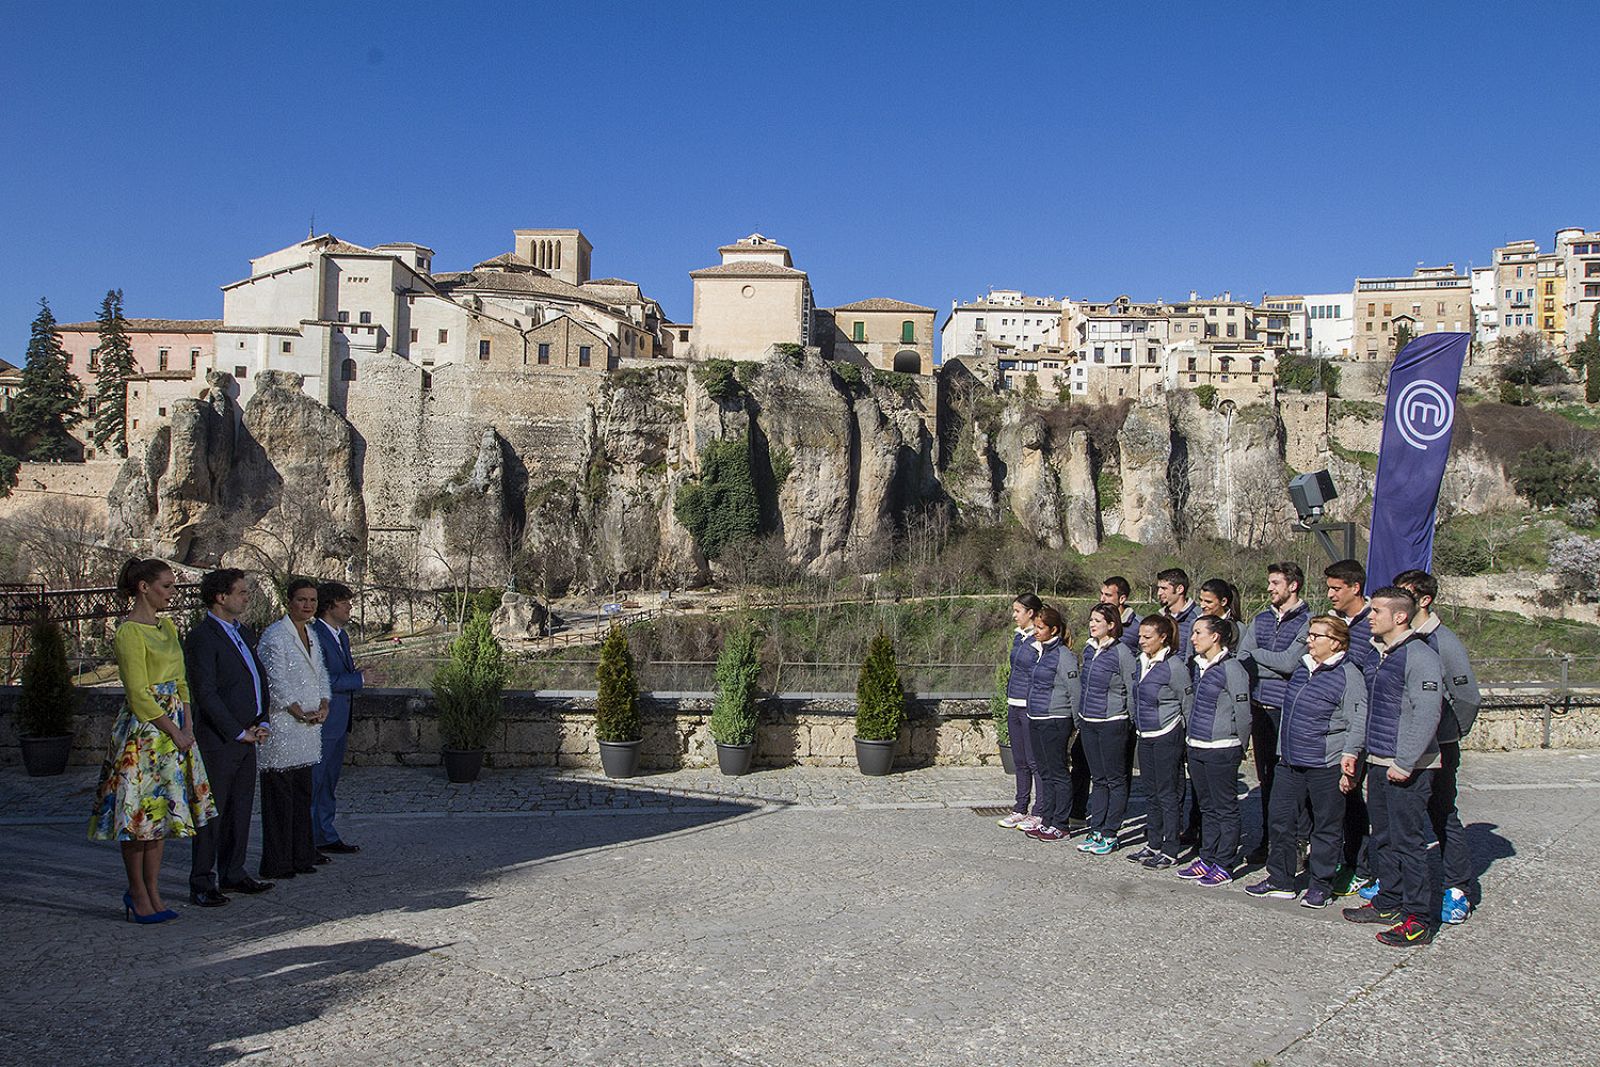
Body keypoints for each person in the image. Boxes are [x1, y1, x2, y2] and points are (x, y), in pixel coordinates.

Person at [90, 558, 217, 923]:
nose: (171, 593)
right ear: (144, 587)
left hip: (175, 727)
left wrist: (187, 725)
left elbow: (181, 682)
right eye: (166, 586)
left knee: (159, 816)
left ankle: (154, 891)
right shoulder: (129, 632)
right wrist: (173, 729)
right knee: (138, 818)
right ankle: (138, 893)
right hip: (146, 732)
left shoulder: (167, 628)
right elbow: (137, 693)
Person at [1342, 587, 1445, 948]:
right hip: (1377, 760)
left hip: (1409, 767)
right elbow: (1365, 708)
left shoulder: (1420, 656)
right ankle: (1389, 900)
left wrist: (1405, 762)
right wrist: (1354, 749)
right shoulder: (1377, 655)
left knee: (1408, 842)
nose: (1369, 617)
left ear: (1400, 616)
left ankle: (1417, 918)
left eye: (1377, 612)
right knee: (1383, 836)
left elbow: (1427, 713)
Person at [1245, 616, 1367, 909]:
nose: (1308, 640)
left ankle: (1320, 885)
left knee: (1325, 826)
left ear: (1336, 642)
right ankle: (1281, 879)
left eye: (1316, 636)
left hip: (1325, 763)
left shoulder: (1349, 675)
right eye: (1309, 634)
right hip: (1290, 761)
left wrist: (1350, 758)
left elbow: (1357, 722)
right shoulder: (1302, 668)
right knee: (1280, 819)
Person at [1393, 569, 1482, 926]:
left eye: (1404, 594)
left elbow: (1467, 697)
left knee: (1442, 814)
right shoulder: (1403, 641)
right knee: (1405, 819)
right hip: (1407, 745)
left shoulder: (1443, 642)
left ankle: (1457, 888)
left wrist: (1450, 733)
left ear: (1424, 600)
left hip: (1439, 746)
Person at [185, 567, 273, 907]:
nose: (246, 597)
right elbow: (206, 693)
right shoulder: (202, 637)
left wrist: (261, 719)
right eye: (241, 592)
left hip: (249, 733)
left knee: (240, 807)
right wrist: (236, 730)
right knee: (213, 811)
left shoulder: (244, 632)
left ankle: (233, 871)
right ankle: (202, 879)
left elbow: (256, 678)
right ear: (221, 597)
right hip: (221, 739)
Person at [1236, 562, 1312, 863]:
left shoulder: (1308, 622)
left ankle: (1300, 842)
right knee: (1266, 779)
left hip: (1288, 710)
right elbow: (1243, 657)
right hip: (1259, 708)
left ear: (1293, 585)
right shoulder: (1261, 618)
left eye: (1275, 583)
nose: (1269, 588)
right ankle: (1268, 841)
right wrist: (1268, 661)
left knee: (1293, 781)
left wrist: (1258, 657)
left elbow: (1291, 664)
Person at [256, 578, 331, 879]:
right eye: (302, 600)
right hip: (284, 727)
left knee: (302, 796)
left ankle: (301, 854)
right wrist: (298, 710)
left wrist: (324, 704)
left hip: (309, 729)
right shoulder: (275, 636)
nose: (308, 605)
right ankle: (277, 861)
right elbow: (274, 681)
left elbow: (321, 674)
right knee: (279, 800)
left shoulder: (311, 634)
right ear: (290, 602)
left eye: (312, 600)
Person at [1179, 615, 1253, 886]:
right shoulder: (1199, 666)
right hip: (1198, 745)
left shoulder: (1232, 668)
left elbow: (1243, 713)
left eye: (1199, 633)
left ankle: (1225, 862)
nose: (1193, 638)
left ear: (1216, 636)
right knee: (1207, 807)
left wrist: (1239, 744)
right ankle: (1207, 857)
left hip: (1222, 747)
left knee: (1225, 807)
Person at [1126, 614, 1193, 869]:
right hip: (1146, 734)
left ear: (1163, 637)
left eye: (1147, 637)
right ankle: (1153, 843)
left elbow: (1187, 703)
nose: (1141, 641)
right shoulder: (1141, 662)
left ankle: (1170, 848)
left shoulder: (1174, 666)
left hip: (1167, 734)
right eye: (1140, 636)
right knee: (1151, 792)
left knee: (1168, 794)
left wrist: (1186, 738)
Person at [1324, 558, 1374, 891]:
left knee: (1356, 796)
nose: (1330, 594)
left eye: (1336, 589)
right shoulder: (1333, 622)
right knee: (1336, 799)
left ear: (1355, 588)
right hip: (1333, 725)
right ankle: (1345, 856)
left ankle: (1364, 866)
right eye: (1328, 588)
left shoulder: (1374, 625)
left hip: (1361, 724)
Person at [1076, 603, 1138, 856]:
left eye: (1097, 621)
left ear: (1111, 625)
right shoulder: (1089, 650)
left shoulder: (1122, 652)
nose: (1092, 624)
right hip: (1089, 721)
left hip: (1113, 723)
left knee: (1115, 779)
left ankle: (1111, 832)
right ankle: (1097, 828)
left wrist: (1132, 720)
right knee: (1098, 778)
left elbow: (1132, 689)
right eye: (1091, 620)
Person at [312, 581, 365, 854]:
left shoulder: (341, 636)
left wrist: (359, 674)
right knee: (315, 781)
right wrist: (360, 679)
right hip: (323, 720)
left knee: (329, 781)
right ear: (330, 605)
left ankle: (326, 834)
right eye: (345, 602)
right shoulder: (315, 635)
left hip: (340, 720)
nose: (350, 607)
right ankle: (309, 839)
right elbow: (322, 680)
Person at [1021, 607, 1081, 842]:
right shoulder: (1041, 652)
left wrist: (1076, 723)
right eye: (1035, 627)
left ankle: (1061, 823)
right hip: (1036, 717)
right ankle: (1046, 819)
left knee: (1058, 772)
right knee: (1045, 772)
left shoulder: (1064, 656)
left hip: (1055, 719)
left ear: (1053, 630)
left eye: (1040, 627)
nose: (1036, 631)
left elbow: (1074, 691)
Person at [997, 594, 1046, 831]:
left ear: (1031, 613)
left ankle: (1040, 810)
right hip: (1013, 702)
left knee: (1034, 759)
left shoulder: (1039, 641)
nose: (1014, 615)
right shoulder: (1019, 638)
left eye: (1018, 611)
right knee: (1020, 760)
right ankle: (1020, 807)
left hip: (1030, 706)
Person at [1156, 568, 1201, 660]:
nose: (1159, 593)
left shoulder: (1198, 618)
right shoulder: (1159, 618)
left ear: (1180, 589)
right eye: (1159, 588)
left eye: (1164, 588)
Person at [1100, 576, 1141, 652]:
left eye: (1108, 595)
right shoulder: (1097, 622)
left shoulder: (1139, 625)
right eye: (1102, 594)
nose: (1102, 599)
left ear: (1122, 599)